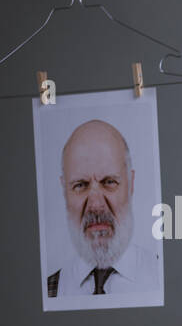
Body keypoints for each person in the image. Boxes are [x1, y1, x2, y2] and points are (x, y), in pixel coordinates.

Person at [46, 119, 160, 298]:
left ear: (131, 184)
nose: (96, 206)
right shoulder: (49, 291)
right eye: (80, 185)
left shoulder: (162, 276)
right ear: (64, 190)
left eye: (109, 182)